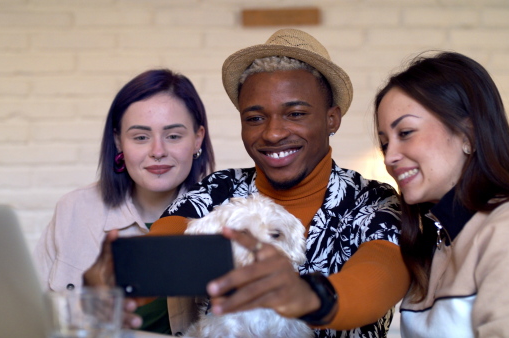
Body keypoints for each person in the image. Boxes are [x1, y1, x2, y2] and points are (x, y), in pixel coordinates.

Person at [87, 28, 411, 338]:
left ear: (331, 119)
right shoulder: (221, 188)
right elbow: (168, 247)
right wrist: (125, 276)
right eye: (255, 118)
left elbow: (381, 275)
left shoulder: (373, 201)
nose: (272, 133)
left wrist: (306, 296)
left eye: (295, 113)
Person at [35, 69, 215, 335]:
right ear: (119, 141)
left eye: (173, 136)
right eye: (141, 137)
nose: (157, 151)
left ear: (197, 138)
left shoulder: (225, 215)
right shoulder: (73, 209)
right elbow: (32, 317)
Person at [374, 51, 509, 337]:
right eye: (384, 144)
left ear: (468, 134)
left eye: (405, 132)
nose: (390, 157)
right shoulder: (434, 244)